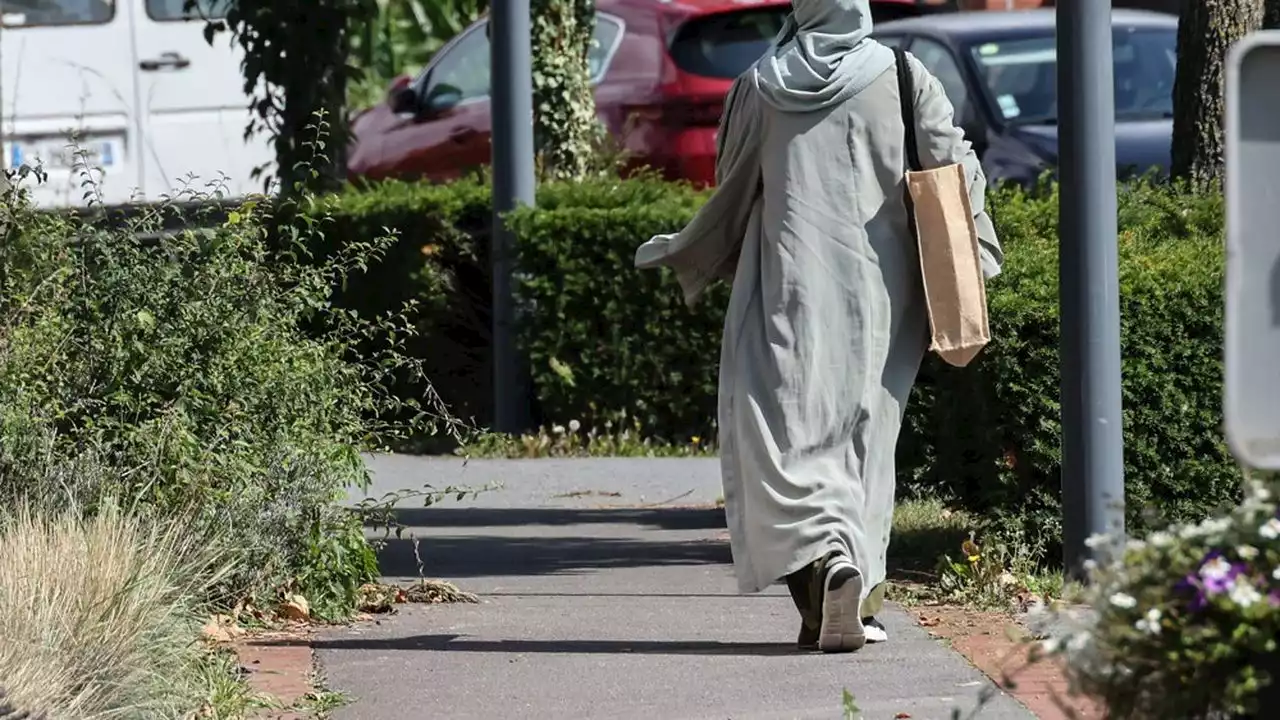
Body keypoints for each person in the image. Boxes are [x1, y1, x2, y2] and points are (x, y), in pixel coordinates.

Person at [634, 0, 1003, 653]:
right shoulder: (904, 74)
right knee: (863, 441)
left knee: (789, 442)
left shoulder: (761, 85)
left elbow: (733, 188)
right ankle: (854, 592)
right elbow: (951, 161)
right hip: (885, 299)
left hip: (788, 291)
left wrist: (687, 248)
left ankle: (822, 589)